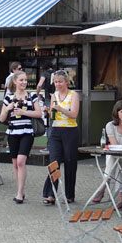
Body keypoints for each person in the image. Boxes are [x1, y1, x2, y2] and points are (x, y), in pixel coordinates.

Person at [0, 70, 41, 204]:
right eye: (21, 80)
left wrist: (24, 112)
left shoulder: (32, 96)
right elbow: (1, 118)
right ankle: (20, 191)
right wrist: (7, 108)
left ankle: (19, 193)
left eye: (25, 80)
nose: (24, 82)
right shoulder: (9, 97)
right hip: (12, 132)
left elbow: (39, 114)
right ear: (15, 82)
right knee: (15, 164)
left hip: (27, 132)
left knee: (21, 161)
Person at [42, 70, 80, 205]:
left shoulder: (73, 95)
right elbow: (52, 116)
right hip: (56, 130)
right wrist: (48, 112)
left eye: (60, 82)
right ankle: (51, 194)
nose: (57, 84)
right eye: (56, 82)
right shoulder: (54, 95)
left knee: (70, 162)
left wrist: (60, 109)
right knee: (54, 162)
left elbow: (74, 114)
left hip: (70, 131)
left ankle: (69, 195)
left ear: (66, 82)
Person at [92, 100, 122, 208]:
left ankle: (104, 186)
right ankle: (120, 200)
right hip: (116, 156)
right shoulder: (110, 125)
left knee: (115, 159)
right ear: (116, 113)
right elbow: (114, 146)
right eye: (121, 112)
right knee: (115, 159)